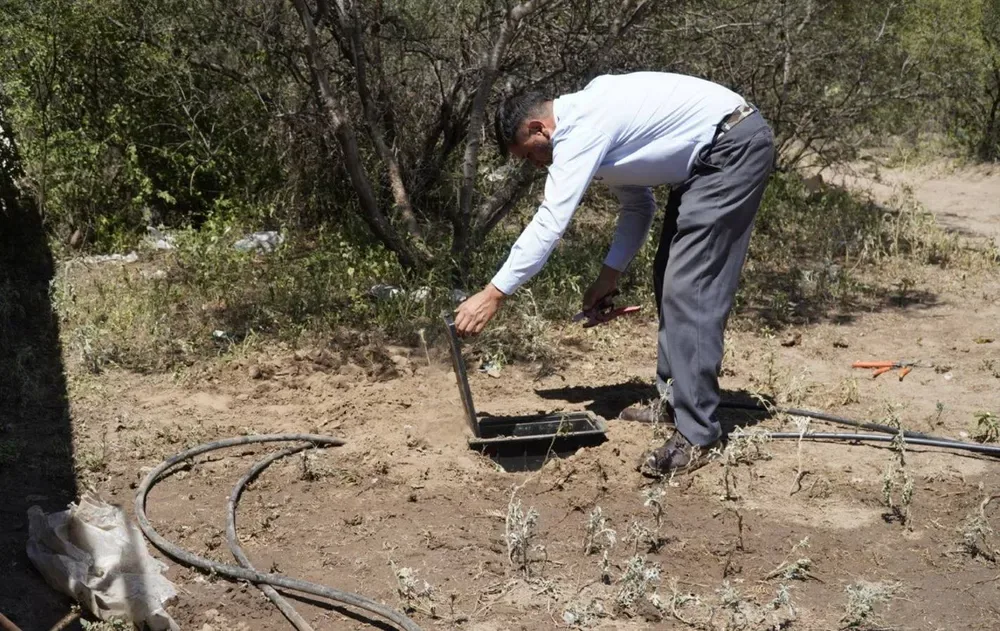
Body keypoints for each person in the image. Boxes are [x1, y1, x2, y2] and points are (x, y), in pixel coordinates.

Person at [452, 72, 775, 476]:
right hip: (707, 160)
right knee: (669, 277)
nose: (534, 164)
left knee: (689, 287)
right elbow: (638, 206)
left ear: (540, 128)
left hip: (730, 149)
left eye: (529, 153)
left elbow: (551, 221)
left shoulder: (582, 128)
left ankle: (698, 436)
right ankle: (675, 401)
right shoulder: (593, 124)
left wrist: (494, 293)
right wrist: (609, 276)